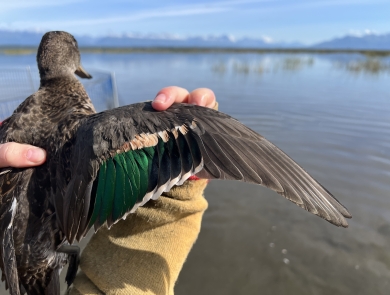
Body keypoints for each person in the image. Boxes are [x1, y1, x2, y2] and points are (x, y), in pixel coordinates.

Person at [0, 86, 217, 295]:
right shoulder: (72, 123)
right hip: (35, 253)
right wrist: (175, 185)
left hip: (27, 250)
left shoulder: (21, 120)